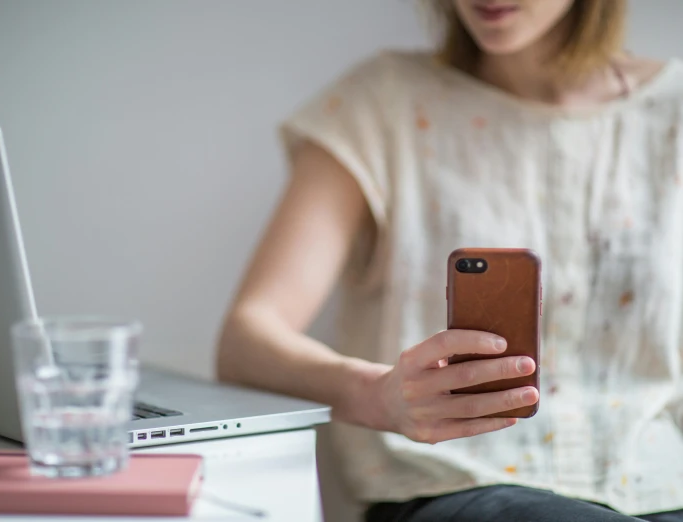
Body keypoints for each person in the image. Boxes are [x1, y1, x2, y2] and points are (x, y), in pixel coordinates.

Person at [216, 0, 683, 520]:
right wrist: (377, 395)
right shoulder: (384, 102)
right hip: (452, 487)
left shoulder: (673, 111)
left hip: (662, 487)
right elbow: (245, 341)